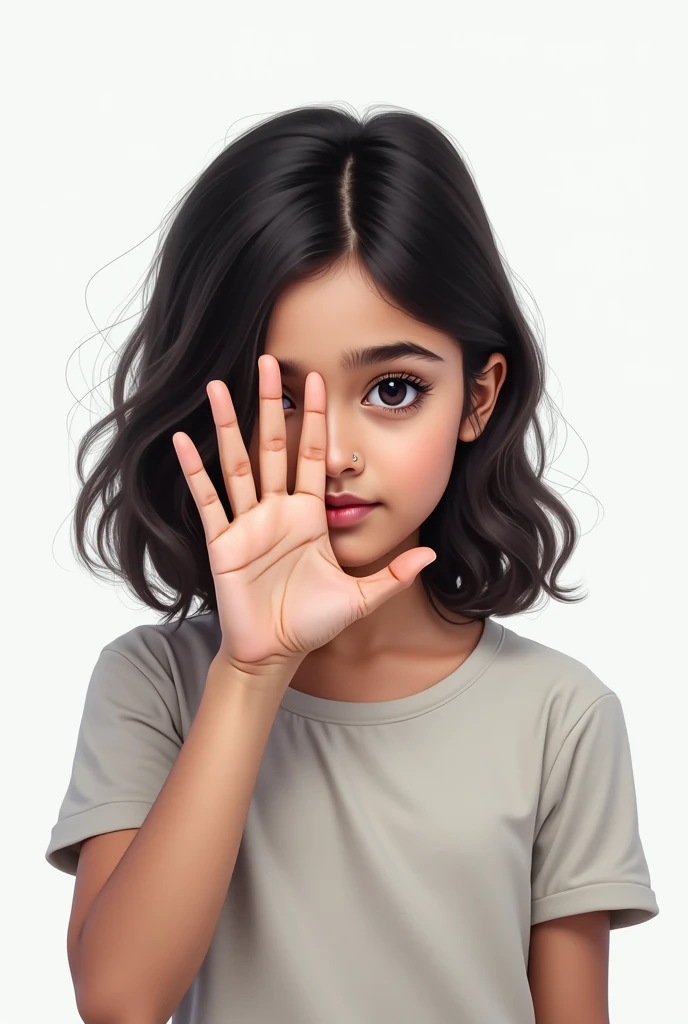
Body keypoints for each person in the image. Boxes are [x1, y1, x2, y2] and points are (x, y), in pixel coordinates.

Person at [45, 103, 659, 1024]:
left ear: (478, 397)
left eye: (394, 390)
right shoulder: (156, 685)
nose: (333, 452)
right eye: (281, 397)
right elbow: (120, 1001)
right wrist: (252, 671)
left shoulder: (559, 718)